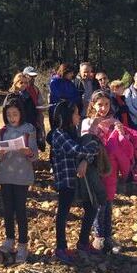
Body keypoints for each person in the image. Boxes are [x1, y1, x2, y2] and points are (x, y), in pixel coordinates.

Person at [50, 100, 100, 264]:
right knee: (63, 213)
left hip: (77, 180)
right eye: (76, 113)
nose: (79, 116)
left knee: (91, 206)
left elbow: (83, 152)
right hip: (66, 180)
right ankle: (60, 247)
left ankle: (83, 242)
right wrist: (94, 148)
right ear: (67, 116)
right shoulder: (59, 134)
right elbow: (78, 150)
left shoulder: (71, 132)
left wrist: (87, 157)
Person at [81, 90, 128, 254]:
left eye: (106, 104)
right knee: (99, 202)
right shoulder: (87, 122)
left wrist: (122, 132)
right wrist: (94, 126)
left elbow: (123, 145)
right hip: (95, 167)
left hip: (111, 168)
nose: (103, 108)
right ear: (92, 104)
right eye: (100, 104)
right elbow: (85, 141)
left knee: (108, 202)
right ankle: (98, 236)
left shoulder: (114, 121)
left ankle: (108, 235)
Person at [0, 99, 38, 263]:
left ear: (21, 114)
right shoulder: (3, 131)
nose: (12, 118)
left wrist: (28, 152)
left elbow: (35, 155)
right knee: (7, 209)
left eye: (15, 114)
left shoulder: (28, 129)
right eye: (9, 115)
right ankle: (9, 239)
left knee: (20, 210)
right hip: (6, 175)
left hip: (22, 176)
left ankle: (22, 244)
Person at [48, 63, 80, 128]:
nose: (72, 75)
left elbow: (75, 94)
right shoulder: (54, 81)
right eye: (70, 73)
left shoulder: (69, 82)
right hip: (57, 111)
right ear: (65, 72)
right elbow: (58, 96)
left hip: (70, 111)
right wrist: (69, 100)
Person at [23, 66, 46, 151]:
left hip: (36, 118)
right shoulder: (22, 89)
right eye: (30, 76)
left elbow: (40, 102)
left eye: (34, 77)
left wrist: (42, 107)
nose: (32, 79)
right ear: (25, 76)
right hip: (25, 118)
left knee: (36, 138)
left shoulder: (36, 89)